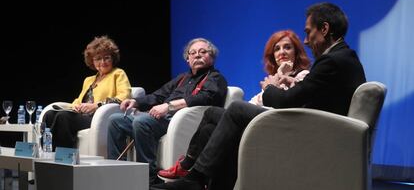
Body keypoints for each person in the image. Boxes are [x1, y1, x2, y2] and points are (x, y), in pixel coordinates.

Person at [151, 2, 366, 190]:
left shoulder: (331, 61)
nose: (307, 41)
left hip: (311, 131)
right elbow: (307, 94)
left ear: (325, 29)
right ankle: (197, 178)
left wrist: (271, 86)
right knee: (213, 118)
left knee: (235, 110)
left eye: (309, 32)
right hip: (311, 124)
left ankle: (194, 177)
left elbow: (285, 101)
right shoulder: (343, 57)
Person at [157, 30, 311, 181]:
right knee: (208, 129)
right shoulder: (272, 79)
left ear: (296, 52)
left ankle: (188, 167)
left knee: (212, 112)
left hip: (276, 124)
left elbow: (285, 101)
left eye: (287, 47)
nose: (281, 52)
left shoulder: (302, 76)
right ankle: (200, 181)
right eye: (277, 49)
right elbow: (251, 104)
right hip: (260, 120)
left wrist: (280, 76)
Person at [106, 38, 228, 185]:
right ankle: (117, 173)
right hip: (161, 118)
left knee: (141, 122)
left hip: (180, 121)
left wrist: (169, 106)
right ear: (187, 59)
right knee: (116, 120)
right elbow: (158, 95)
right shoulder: (182, 78)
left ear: (212, 57)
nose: (197, 55)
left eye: (203, 52)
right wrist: (136, 102)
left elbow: (207, 97)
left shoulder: (216, 77)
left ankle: (148, 179)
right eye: (193, 53)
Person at [43, 35, 132, 150]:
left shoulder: (118, 74)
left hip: (99, 117)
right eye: (98, 59)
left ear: (113, 58)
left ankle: (64, 158)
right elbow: (78, 100)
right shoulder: (89, 80)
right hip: (82, 116)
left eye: (107, 58)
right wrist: (76, 107)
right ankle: (46, 153)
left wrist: (96, 105)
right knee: (49, 114)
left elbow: (124, 96)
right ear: (92, 61)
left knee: (63, 117)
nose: (103, 62)